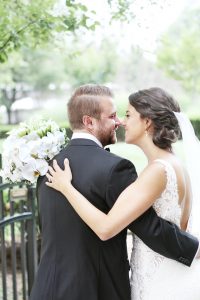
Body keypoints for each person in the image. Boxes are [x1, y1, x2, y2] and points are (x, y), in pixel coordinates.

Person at [46, 86, 200, 300]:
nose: (121, 122)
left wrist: (67, 188)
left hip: (159, 282)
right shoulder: (174, 165)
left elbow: (105, 228)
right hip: (171, 273)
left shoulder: (158, 170)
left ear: (147, 122)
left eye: (127, 115)